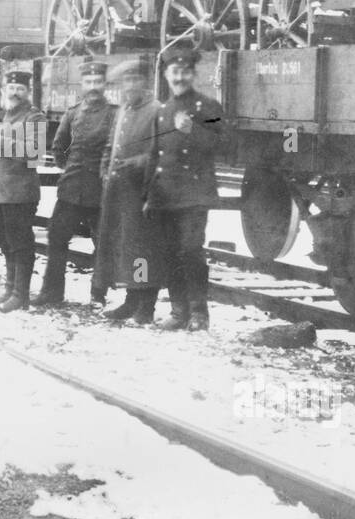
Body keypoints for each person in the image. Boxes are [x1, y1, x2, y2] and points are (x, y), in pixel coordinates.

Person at [143, 45, 226, 331]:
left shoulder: (209, 108)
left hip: (194, 195)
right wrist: (147, 195)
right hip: (165, 194)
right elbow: (155, 156)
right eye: (174, 72)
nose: (179, 77)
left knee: (191, 251)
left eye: (184, 72)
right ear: (166, 74)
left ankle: (199, 313)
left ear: (193, 74)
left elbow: (226, 145)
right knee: (169, 252)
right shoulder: (162, 111)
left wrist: (195, 130)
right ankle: (179, 312)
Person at [32, 60, 116, 307]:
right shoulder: (72, 113)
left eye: (97, 82)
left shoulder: (114, 114)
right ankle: (51, 293)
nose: (93, 87)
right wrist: (68, 168)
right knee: (57, 239)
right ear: (82, 84)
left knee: (103, 244)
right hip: (71, 189)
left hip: (100, 191)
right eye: (88, 82)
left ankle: (98, 295)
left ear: (104, 84)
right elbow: (59, 147)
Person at [95, 58, 164, 325]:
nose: (131, 85)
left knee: (143, 250)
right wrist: (105, 167)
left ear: (145, 82)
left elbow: (161, 154)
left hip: (143, 192)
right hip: (119, 190)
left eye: (136, 80)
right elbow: (111, 143)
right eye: (127, 81)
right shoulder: (123, 109)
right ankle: (131, 300)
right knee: (127, 247)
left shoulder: (157, 110)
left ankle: (146, 306)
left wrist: (135, 164)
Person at [0, 71, 48, 312]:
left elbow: (35, 154)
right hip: (0, 192)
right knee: (3, 240)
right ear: (4, 91)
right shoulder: (7, 116)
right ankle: (10, 289)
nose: (15, 92)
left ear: (27, 92)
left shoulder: (35, 118)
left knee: (20, 243)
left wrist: (2, 144)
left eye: (20, 88)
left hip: (20, 193)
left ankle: (20, 295)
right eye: (10, 88)